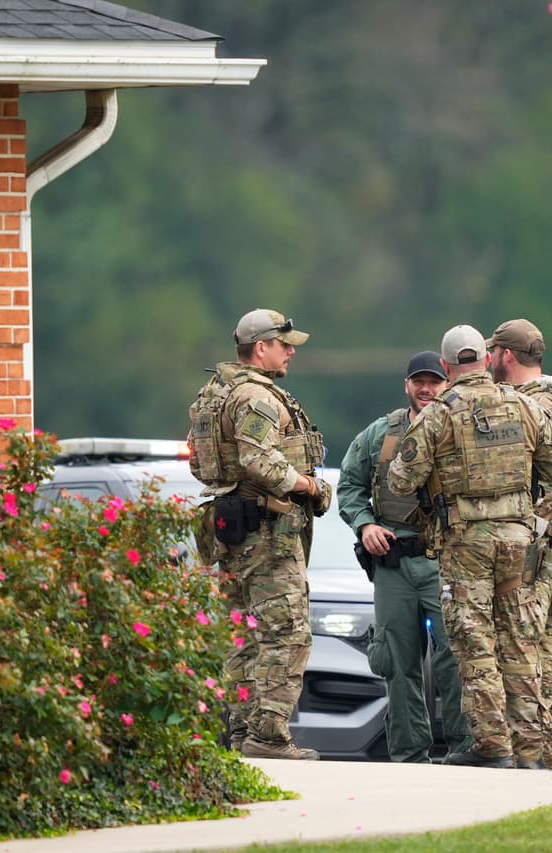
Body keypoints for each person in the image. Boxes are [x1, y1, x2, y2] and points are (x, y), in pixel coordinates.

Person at [387, 325, 552, 769]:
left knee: (475, 641)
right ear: (485, 361)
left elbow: (399, 479)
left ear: (447, 368)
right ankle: (530, 750)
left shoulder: (438, 414)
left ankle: (493, 743)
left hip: (465, 542)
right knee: (521, 639)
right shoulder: (524, 405)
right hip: (517, 539)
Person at [186, 308, 332, 761]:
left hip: (232, 530)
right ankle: (268, 736)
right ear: (260, 348)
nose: (291, 352)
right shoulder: (257, 398)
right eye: (285, 344)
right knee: (286, 633)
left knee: (243, 634)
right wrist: (307, 485)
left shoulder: (211, 396)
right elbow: (258, 459)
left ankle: (242, 729)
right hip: (268, 533)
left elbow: (197, 464)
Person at [336, 351, 473, 763]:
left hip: (444, 560)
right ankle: (410, 755)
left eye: (434, 381)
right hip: (394, 563)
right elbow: (349, 486)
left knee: (456, 655)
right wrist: (365, 524)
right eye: (419, 382)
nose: (427, 389)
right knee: (396, 659)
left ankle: (466, 748)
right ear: (407, 385)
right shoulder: (382, 434)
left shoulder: (458, 430)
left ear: (447, 383)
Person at [488, 318, 552, 772]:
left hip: (534, 544)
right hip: (543, 541)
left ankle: (535, 755)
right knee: (541, 647)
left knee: (523, 647)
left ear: (506, 355)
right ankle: (550, 754)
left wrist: (528, 531)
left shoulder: (537, 405)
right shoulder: (548, 400)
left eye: (494, 354)